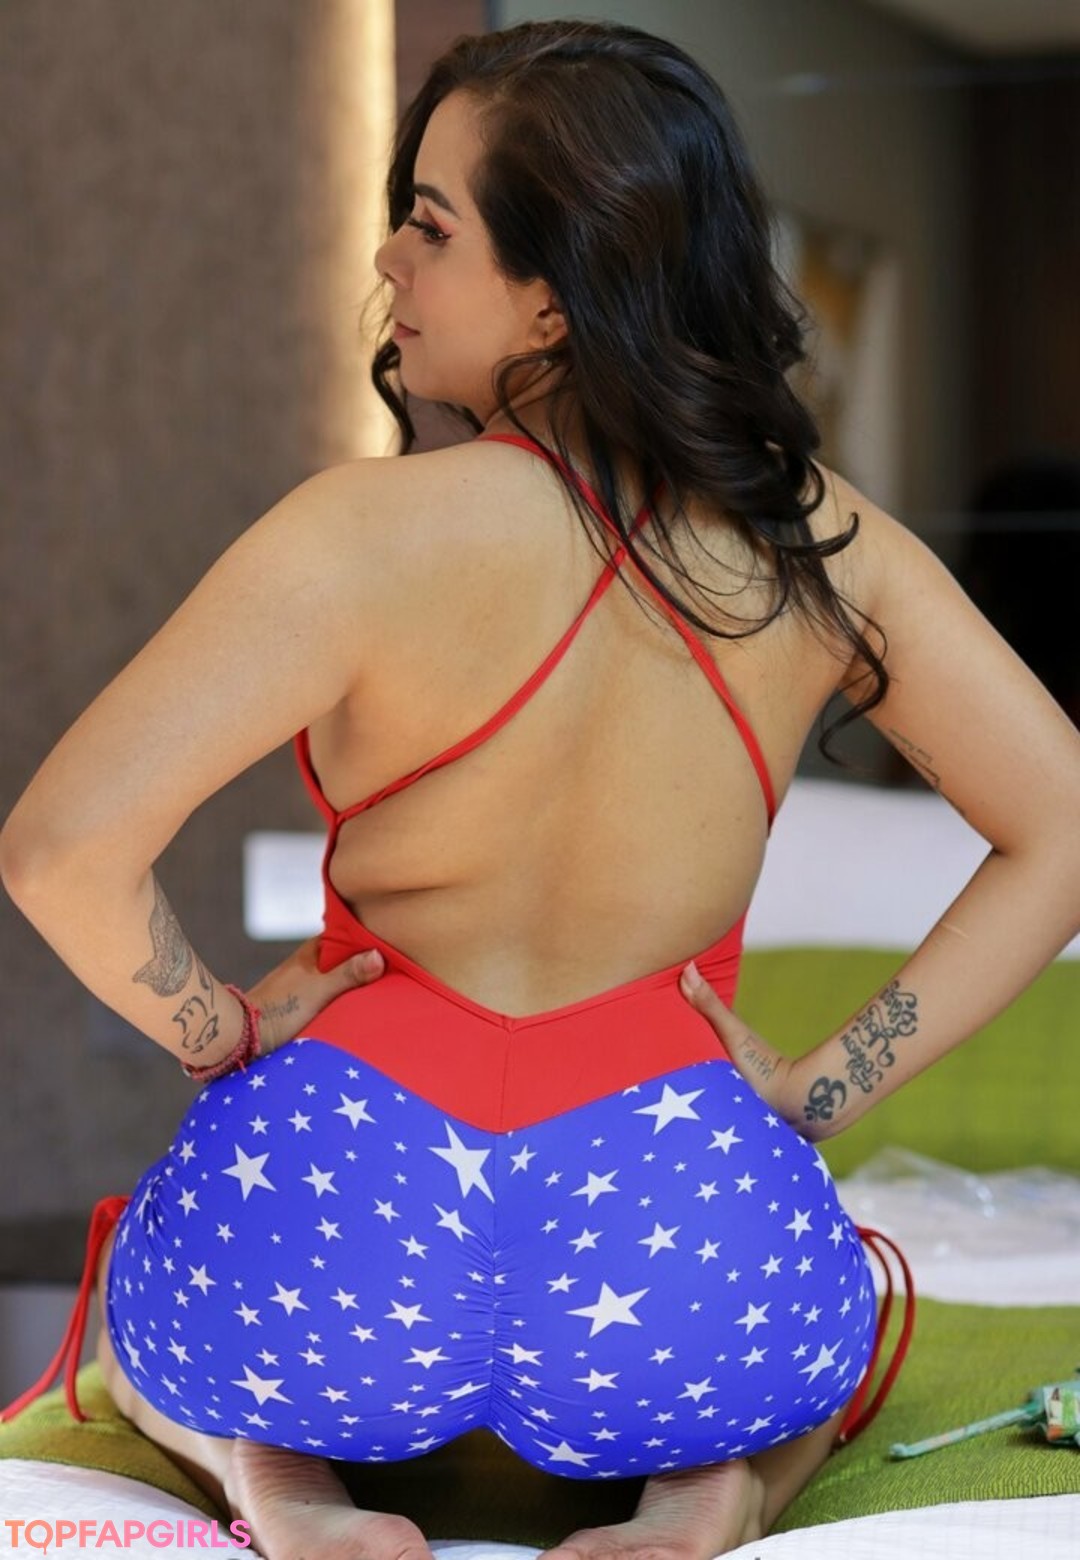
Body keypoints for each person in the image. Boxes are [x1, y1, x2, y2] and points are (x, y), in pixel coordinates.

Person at [2, 18, 1078, 1560]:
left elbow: (57, 850)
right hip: (669, 1249)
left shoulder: (353, 535)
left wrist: (220, 1032)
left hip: (343, 1226)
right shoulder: (818, 552)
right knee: (815, 1358)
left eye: (430, 225)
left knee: (137, 1329)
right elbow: (1066, 825)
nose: (387, 259)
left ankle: (282, 1486)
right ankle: (708, 1495)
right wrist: (821, 1088)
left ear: (558, 297)